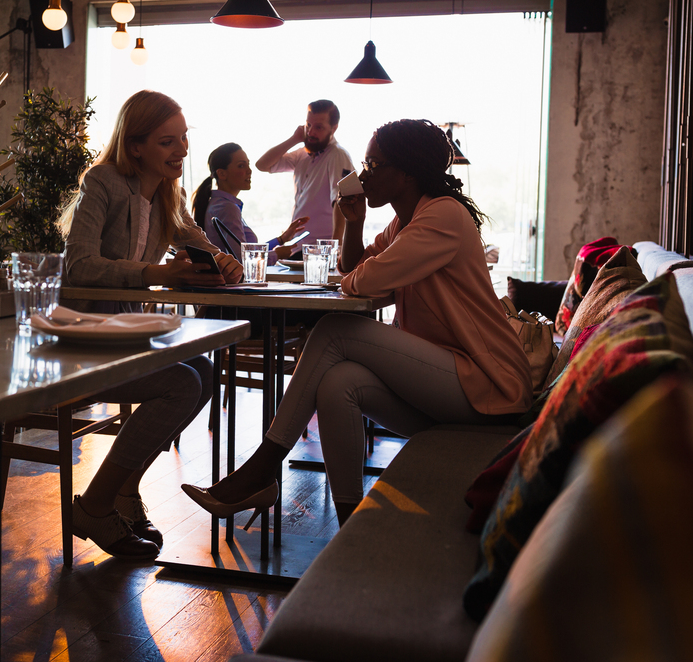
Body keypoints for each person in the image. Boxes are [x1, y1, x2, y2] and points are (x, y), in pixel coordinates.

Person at [184, 119, 532, 527]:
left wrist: (360, 272)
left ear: (404, 173)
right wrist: (353, 222)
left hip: (490, 386)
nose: (360, 175)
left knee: (335, 330)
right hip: (453, 384)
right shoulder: (405, 222)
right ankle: (351, 523)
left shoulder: (443, 217)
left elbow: (363, 281)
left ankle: (262, 467)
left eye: (371, 163)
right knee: (339, 383)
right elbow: (357, 268)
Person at [59, 89, 244, 559]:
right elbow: (79, 265)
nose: (181, 151)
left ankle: (122, 489)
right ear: (135, 145)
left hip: (125, 335)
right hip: (83, 334)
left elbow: (194, 238)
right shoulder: (102, 181)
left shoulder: (166, 192)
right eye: (167, 142)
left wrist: (222, 261)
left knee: (202, 371)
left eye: (183, 139)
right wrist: (157, 274)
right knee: (183, 384)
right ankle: (97, 503)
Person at [254, 99, 355, 249]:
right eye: (308, 125)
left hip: (323, 250)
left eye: (319, 127)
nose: (311, 132)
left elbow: (344, 200)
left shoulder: (338, 155)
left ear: (334, 128)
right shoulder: (301, 156)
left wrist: (336, 248)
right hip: (299, 247)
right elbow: (262, 165)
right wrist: (294, 139)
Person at [192, 143, 310, 264]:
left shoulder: (220, 204)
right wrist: (277, 254)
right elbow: (241, 259)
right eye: (241, 166)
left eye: (247, 165)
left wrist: (281, 239)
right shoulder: (227, 208)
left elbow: (247, 250)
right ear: (222, 174)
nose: (249, 171)